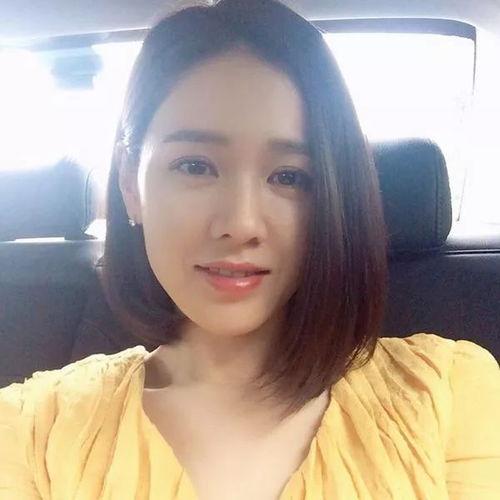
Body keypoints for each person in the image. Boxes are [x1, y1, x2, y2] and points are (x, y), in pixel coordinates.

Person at [1, 0, 499, 498]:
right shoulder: (32, 429)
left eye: (289, 176)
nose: (240, 224)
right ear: (131, 184)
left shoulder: (449, 396)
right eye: (195, 166)